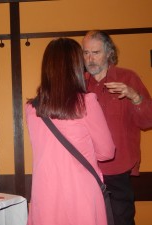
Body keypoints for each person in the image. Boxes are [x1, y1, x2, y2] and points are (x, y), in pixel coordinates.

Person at [25, 37, 115, 225]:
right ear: (75, 66)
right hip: (81, 194)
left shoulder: (32, 108)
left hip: (46, 194)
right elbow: (106, 152)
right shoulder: (87, 102)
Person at [82, 30, 152, 225]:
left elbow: (148, 121)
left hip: (118, 170)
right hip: (86, 170)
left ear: (109, 53)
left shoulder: (127, 78)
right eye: (86, 53)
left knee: (121, 221)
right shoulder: (79, 84)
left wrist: (135, 96)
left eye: (95, 52)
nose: (90, 59)